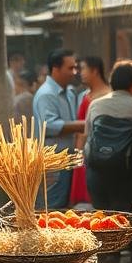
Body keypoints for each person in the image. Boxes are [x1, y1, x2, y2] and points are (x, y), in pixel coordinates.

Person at [85, 59, 132, 258]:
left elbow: (88, 139)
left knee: (103, 214)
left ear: (111, 82)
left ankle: (109, 256)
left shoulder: (95, 105)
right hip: (129, 177)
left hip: (97, 174)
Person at [33, 49, 83, 208]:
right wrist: (83, 124)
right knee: (52, 207)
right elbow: (50, 126)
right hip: (53, 161)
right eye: (70, 68)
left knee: (64, 207)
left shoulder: (69, 92)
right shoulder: (46, 94)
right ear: (56, 68)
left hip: (68, 159)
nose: (74, 72)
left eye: (75, 68)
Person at [70, 56, 110, 207]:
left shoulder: (108, 95)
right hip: (83, 150)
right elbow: (82, 132)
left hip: (101, 152)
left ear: (95, 70)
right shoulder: (84, 95)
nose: (81, 73)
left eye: (83, 68)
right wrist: (78, 153)